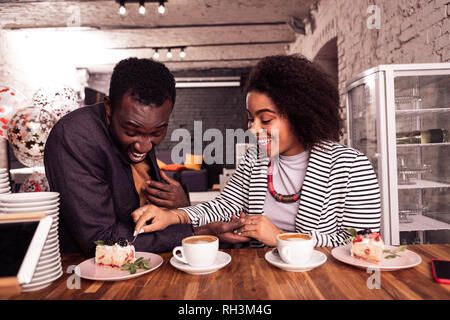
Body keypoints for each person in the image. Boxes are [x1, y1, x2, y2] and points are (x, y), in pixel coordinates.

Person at [132, 54, 381, 247]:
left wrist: (282, 238)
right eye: (251, 119)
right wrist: (173, 216)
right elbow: (223, 205)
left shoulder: (350, 167)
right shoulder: (257, 157)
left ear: (301, 115)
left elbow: (362, 242)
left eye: (266, 119)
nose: (253, 129)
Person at [44, 57, 246, 256]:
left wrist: (181, 207)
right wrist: (195, 231)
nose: (145, 145)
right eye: (132, 131)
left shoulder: (139, 132)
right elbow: (100, 239)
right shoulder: (75, 136)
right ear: (109, 107)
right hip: (92, 278)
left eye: (157, 132)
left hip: (148, 265)